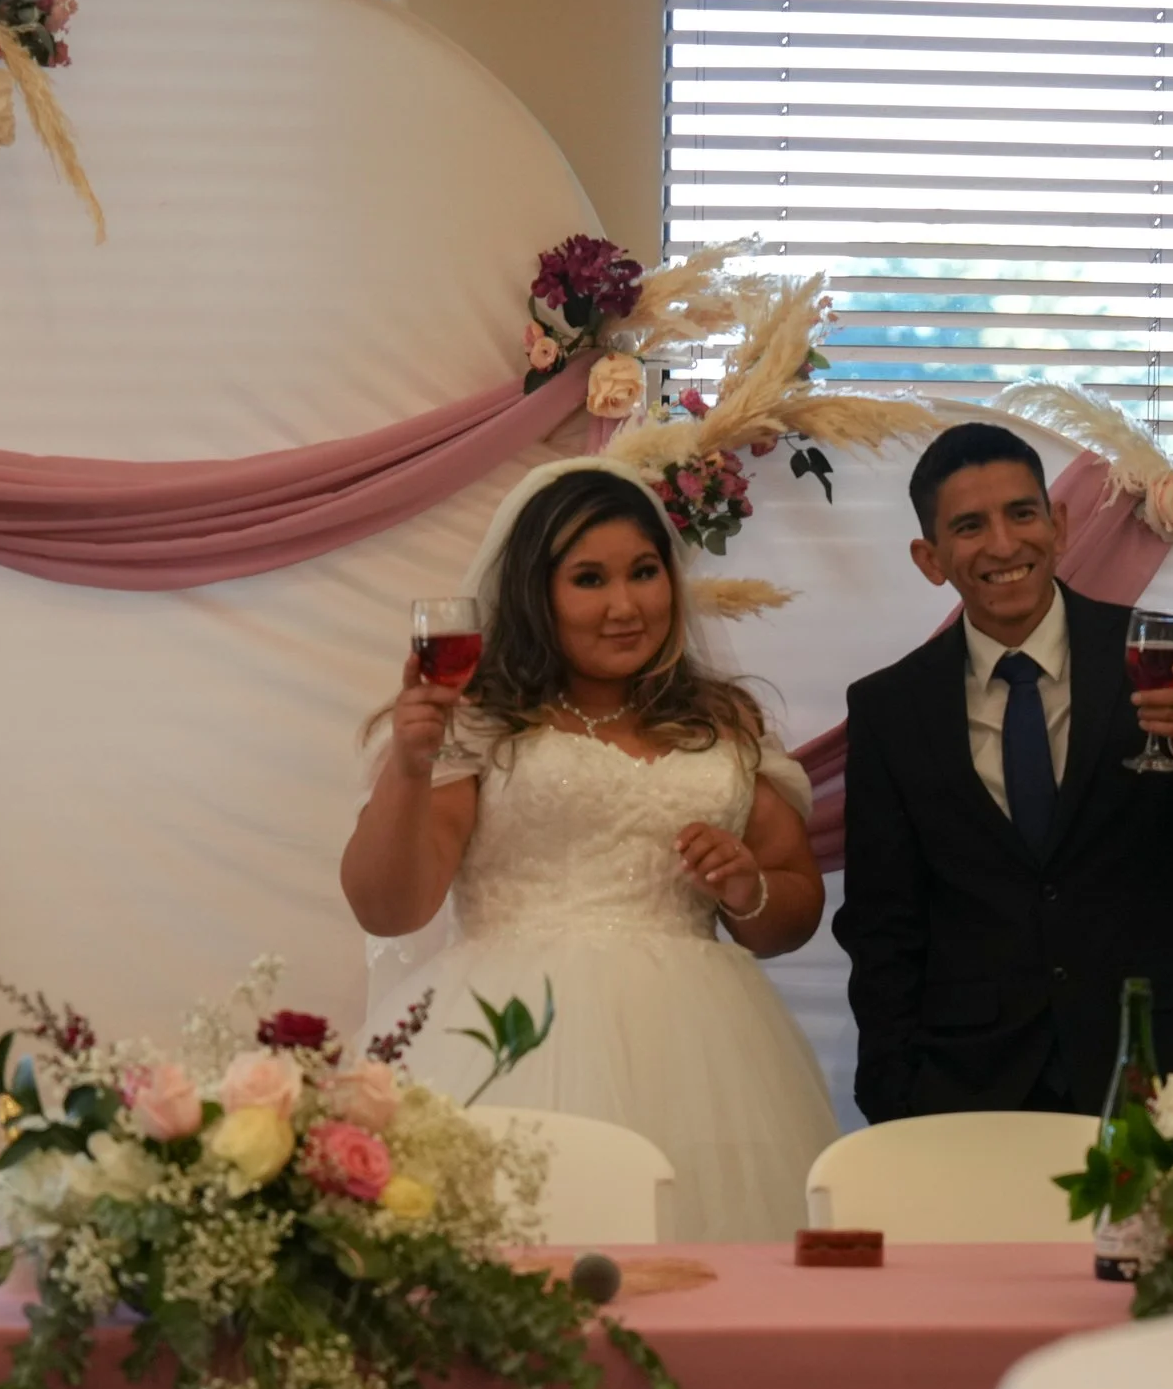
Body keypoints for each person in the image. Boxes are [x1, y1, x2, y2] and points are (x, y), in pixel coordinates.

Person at [342, 458, 838, 1241]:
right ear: (537, 594)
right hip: (507, 1034)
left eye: (644, 572)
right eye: (588, 579)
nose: (624, 605)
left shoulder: (724, 724)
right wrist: (409, 765)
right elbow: (390, 905)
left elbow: (795, 910)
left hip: (703, 1053)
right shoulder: (482, 723)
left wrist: (747, 890)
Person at [837, 421, 1173, 1121]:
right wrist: (894, 1100)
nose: (1002, 543)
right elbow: (881, 929)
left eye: (1022, 513)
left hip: (1144, 1069)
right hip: (962, 1089)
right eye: (969, 526)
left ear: (1058, 523)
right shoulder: (889, 708)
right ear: (930, 557)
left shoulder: (1168, 652)